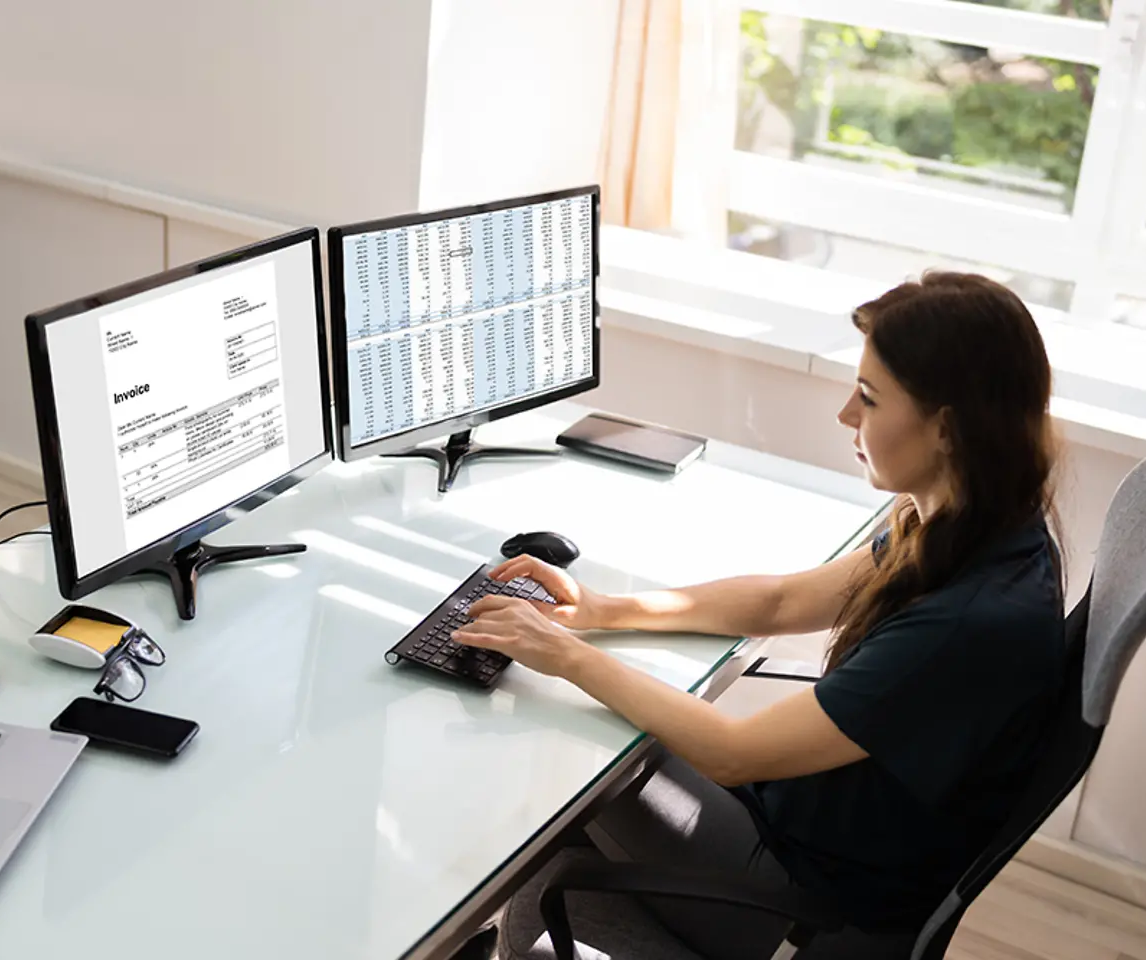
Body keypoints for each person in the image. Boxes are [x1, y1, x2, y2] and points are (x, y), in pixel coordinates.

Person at [457, 272, 1066, 959]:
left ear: (947, 429)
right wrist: (603, 609)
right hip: (809, 823)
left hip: (802, 889)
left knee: (568, 764)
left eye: (869, 397)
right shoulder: (971, 527)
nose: (846, 414)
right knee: (582, 762)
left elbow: (733, 752)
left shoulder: (965, 623)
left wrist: (567, 656)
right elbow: (784, 601)